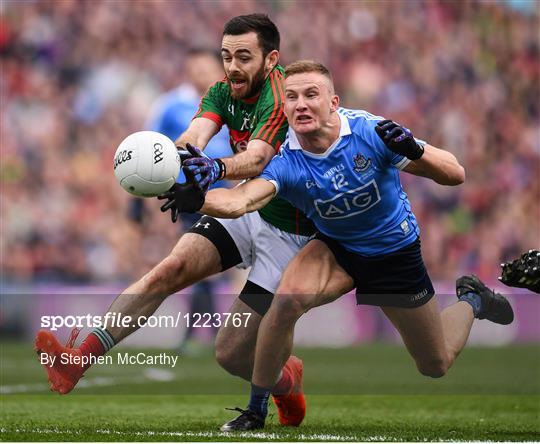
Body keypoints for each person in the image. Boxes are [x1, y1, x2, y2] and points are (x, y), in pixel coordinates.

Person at [178, 60, 515, 424]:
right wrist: (196, 199)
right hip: (335, 249)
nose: (300, 104)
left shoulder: (370, 132)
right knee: (285, 303)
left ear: (333, 102)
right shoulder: (286, 158)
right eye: (291, 97)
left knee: (435, 364)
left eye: (311, 95)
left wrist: (417, 152)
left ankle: (472, 300)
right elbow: (241, 200)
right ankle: (256, 410)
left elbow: (455, 174)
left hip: (393, 253)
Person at [34, 14, 314, 432]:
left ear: (271, 59)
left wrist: (211, 172)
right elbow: (193, 135)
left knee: (231, 354)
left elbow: (257, 159)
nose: (232, 67)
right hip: (242, 205)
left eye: (243, 57)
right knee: (170, 269)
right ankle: (77, 361)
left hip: (289, 231)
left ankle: (283, 380)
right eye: (226, 56)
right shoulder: (221, 92)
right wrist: (171, 163)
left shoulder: (279, 96)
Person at [143, 47, 232, 352]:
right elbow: (148, 147)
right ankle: (213, 331)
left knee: (210, 265)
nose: (200, 74)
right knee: (198, 261)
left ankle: (199, 332)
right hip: (189, 196)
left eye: (205, 69)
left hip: (229, 192)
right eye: (194, 68)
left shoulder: (229, 104)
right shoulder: (170, 105)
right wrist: (139, 200)